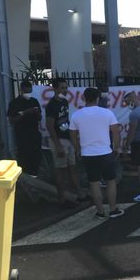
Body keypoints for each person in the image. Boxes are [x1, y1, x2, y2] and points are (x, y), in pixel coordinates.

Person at [69, 88, 124, 219]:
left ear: (83, 98)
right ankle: (113, 209)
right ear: (98, 98)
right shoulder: (107, 113)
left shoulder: (76, 115)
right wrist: (117, 148)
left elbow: (72, 135)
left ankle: (100, 211)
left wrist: (78, 150)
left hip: (87, 154)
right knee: (111, 181)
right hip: (105, 152)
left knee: (94, 183)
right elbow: (116, 132)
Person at [45, 77, 89, 207]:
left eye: (65, 87)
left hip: (67, 139)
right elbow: (49, 126)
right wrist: (58, 145)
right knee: (61, 170)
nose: (65, 90)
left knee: (72, 168)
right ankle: (62, 198)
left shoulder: (64, 102)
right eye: (62, 88)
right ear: (55, 88)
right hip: (59, 141)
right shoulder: (52, 105)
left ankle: (79, 193)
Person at [7, 80, 42, 177]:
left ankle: (35, 176)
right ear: (21, 90)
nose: (28, 94)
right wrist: (25, 113)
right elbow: (12, 120)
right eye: (26, 92)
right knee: (24, 157)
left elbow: (40, 117)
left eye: (30, 92)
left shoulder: (34, 101)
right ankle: (25, 177)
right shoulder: (15, 103)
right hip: (22, 135)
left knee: (36, 157)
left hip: (34, 133)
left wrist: (36, 112)